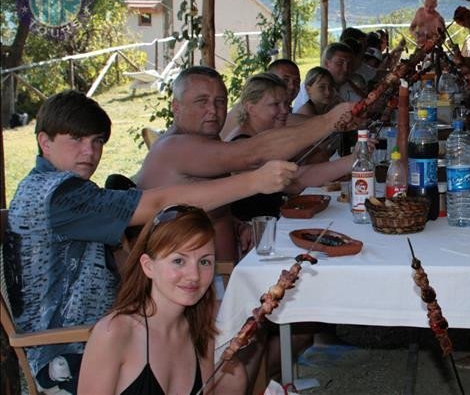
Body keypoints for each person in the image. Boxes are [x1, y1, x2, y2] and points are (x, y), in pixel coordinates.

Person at [4, 90, 295, 394]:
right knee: (223, 347)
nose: (89, 152)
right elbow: (161, 202)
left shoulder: (57, 189)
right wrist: (254, 182)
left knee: (234, 335)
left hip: (103, 327)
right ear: (44, 142)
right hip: (66, 352)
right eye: (75, 140)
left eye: (97, 142)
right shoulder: (59, 196)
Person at [137, 66, 354, 261]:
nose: (213, 110)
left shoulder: (208, 142)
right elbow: (255, 152)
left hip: (222, 270)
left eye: (220, 101)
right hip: (188, 279)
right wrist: (330, 121)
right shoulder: (175, 147)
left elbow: (208, 206)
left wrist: (237, 225)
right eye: (201, 101)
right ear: (176, 107)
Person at [78, 206, 246, 394]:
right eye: (179, 261)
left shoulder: (201, 334)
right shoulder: (115, 333)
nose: (194, 275)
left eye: (204, 261)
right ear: (148, 266)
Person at [225, 73, 354, 220]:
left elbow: (308, 169)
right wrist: (352, 160)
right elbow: (297, 180)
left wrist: (354, 159)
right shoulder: (241, 144)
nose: (285, 110)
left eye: (286, 104)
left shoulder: (270, 136)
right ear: (250, 107)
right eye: (275, 104)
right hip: (255, 234)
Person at [221, 59, 302, 139]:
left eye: (297, 81)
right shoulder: (243, 142)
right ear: (251, 108)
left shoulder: (261, 128)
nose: (292, 86)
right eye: (285, 80)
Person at [292, 43, 359, 112]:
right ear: (327, 64)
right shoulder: (312, 85)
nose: (346, 69)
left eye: (349, 64)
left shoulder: (345, 84)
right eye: (340, 63)